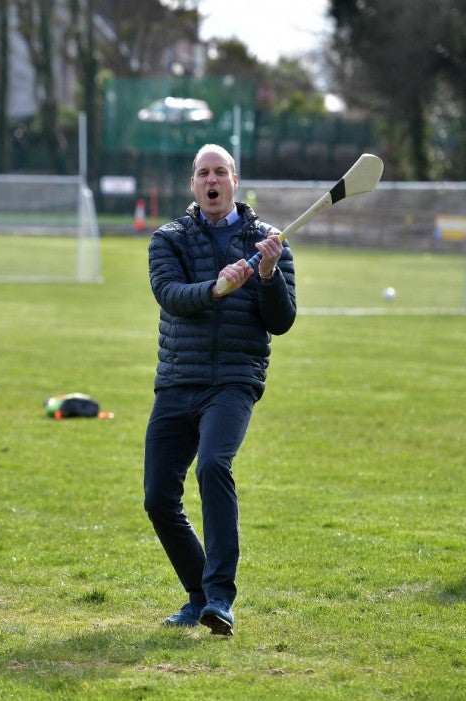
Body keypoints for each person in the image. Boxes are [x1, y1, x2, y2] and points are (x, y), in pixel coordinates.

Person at [144, 144, 296, 636]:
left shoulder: (270, 242)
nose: (212, 181)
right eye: (203, 173)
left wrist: (268, 276)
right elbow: (170, 295)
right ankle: (198, 595)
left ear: (235, 181)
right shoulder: (169, 239)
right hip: (177, 380)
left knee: (213, 465)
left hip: (234, 380)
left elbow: (282, 320)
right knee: (158, 497)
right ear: (194, 184)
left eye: (221, 172)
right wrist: (216, 287)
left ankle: (220, 599)